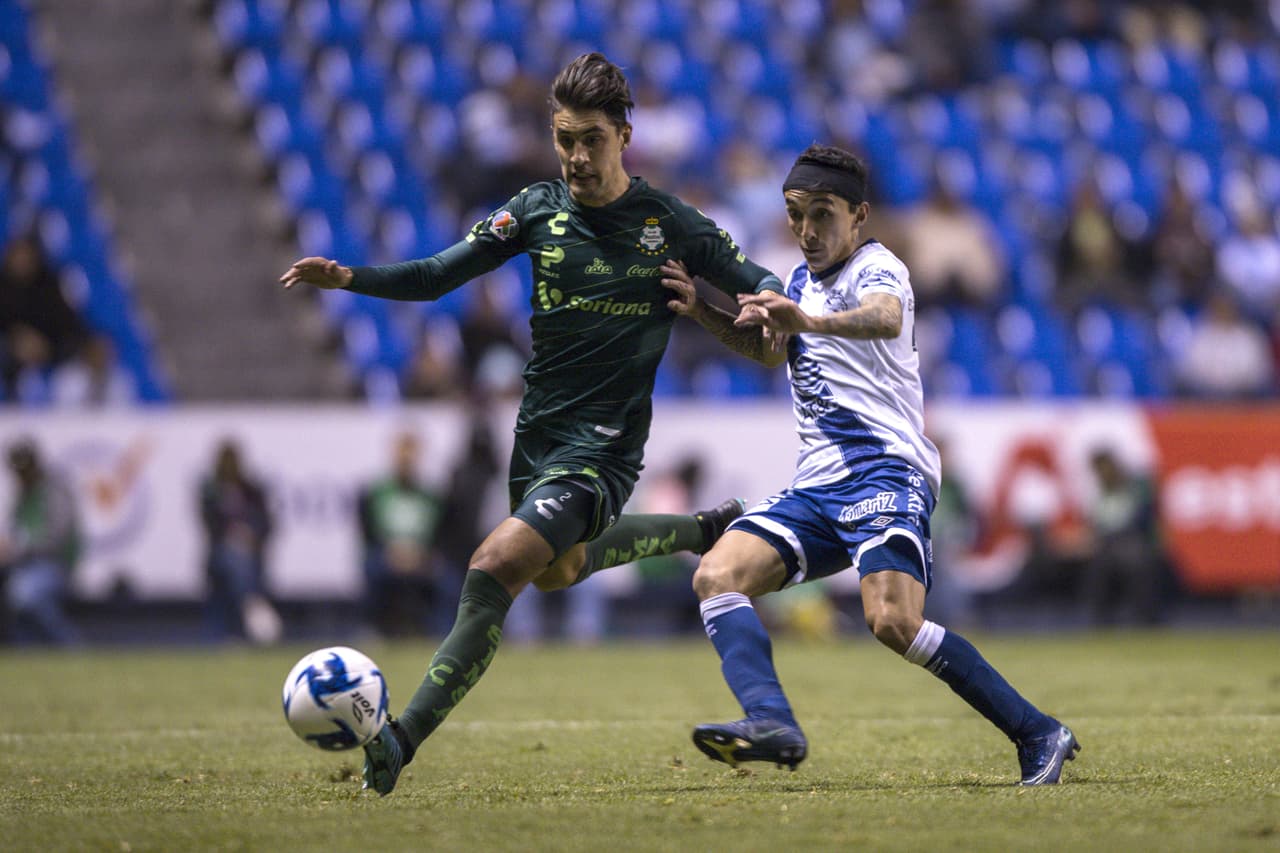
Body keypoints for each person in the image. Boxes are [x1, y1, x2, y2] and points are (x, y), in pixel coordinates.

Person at [279, 52, 782, 796]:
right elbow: (437, 274)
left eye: (591, 140)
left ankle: (400, 738)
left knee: (492, 568)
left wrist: (754, 305)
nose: (576, 156)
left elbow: (761, 281)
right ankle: (697, 529)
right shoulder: (536, 210)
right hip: (538, 439)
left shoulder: (668, 224)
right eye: (563, 138)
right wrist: (350, 277)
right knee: (559, 571)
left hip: (603, 450)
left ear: (625, 134)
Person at [662, 144, 1080, 785]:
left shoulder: (880, 269)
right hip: (818, 484)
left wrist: (807, 319)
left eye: (822, 214)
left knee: (892, 620)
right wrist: (703, 309)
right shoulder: (799, 280)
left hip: (886, 469)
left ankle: (1037, 731)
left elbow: (884, 321)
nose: (806, 231)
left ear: (858, 215)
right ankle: (771, 720)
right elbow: (771, 352)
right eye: (796, 214)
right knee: (716, 575)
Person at [357, 430, 448, 637]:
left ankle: (441, 635)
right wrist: (393, 552)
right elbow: (368, 531)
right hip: (386, 554)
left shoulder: (430, 495)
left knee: (449, 580)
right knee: (372, 568)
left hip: (421, 557)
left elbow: (439, 532)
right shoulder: (377, 492)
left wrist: (421, 554)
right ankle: (372, 631)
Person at [0, 438, 82, 645]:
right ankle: (22, 650)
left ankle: (68, 645)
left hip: (55, 565)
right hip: (24, 564)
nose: (21, 475)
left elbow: (55, 537)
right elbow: (13, 528)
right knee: (16, 593)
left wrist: (17, 547)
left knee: (23, 593)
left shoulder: (53, 490)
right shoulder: (22, 493)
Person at [198, 439, 281, 645]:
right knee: (234, 558)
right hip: (222, 550)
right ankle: (251, 602)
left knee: (241, 560)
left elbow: (266, 522)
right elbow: (209, 524)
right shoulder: (211, 491)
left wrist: (250, 535)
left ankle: (249, 607)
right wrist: (232, 535)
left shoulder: (251, 490)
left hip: (251, 550)